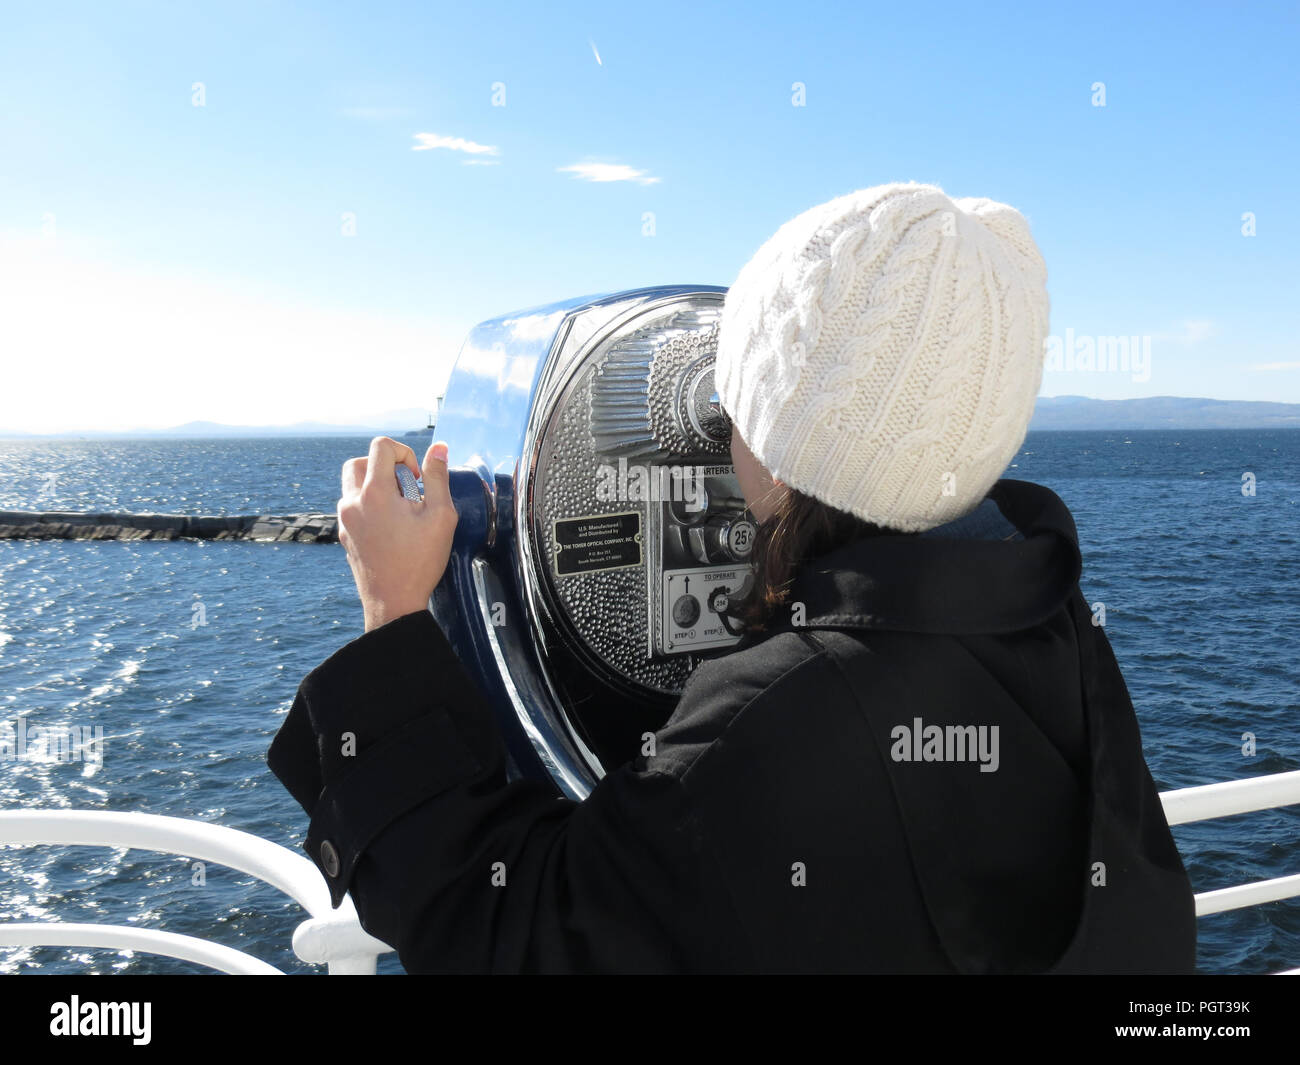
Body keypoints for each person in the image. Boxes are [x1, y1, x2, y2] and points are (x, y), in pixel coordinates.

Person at [268, 182, 1197, 973]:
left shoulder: (781, 715)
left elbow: (515, 928)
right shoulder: (1053, 622)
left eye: (735, 405)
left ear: (788, 444)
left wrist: (395, 611)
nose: (724, 436)